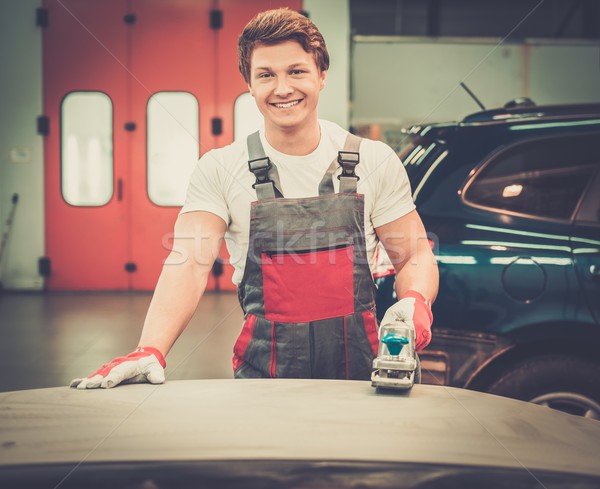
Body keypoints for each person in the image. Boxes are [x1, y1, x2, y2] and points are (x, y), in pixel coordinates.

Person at [70, 8, 439, 389]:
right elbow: (189, 263)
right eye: (266, 75)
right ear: (249, 84)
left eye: (296, 71)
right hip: (262, 383)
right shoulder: (220, 168)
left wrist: (416, 298)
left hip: (363, 376)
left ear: (322, 76)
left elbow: (413, 255)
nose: (282, 88)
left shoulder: (372, 161)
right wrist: (150, 348)